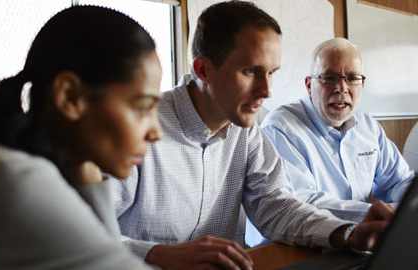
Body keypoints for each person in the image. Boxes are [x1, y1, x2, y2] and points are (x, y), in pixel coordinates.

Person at [110, 2, 394, 270]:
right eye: (251, 72)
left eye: (271, 73)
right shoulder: (140, 126)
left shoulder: (246, 132)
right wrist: (159, 255)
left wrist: (345, 234)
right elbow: (79, 237)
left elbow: (278, 208)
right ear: (203, 70)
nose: (266, 90)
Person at [0, 6, 163, 269]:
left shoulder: (0, 166)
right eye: (143, 107)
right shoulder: (16, 184)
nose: (156, 132)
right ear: (69, 97)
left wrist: (88, 179)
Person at [245, 37, 415, 247]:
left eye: (352, 77)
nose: (341, 88)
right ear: (309, 85)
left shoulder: (368, 127)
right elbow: (302, 203)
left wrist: (412, 205)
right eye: (329, 78)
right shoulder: (281, 127)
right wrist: (382, 215)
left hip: (350, 245)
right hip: (286, 250)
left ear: (362, 84)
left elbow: (399, 181)